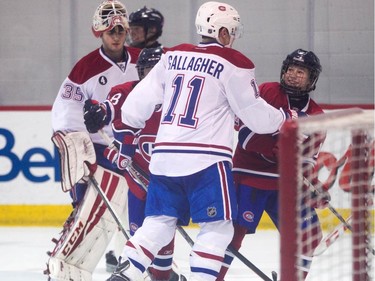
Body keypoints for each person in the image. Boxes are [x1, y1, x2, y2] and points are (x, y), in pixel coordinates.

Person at [105, 2, 300, 281]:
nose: (231, 36)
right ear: (221, 32)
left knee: (158, 223)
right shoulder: (234, 63)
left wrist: (128, 137)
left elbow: (133, 109)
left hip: (164, 159)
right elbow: (255, 118)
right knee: (218, 228)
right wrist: (283, 118)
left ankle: (124, 274)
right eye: (230, 31)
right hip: (207, 161)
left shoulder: (172, 56)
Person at [45, 1, 141, 280]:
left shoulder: (141, 60)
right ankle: (72, 261)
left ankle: (149, 265)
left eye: (121, 29)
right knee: (93, 208)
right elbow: (65, 114)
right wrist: (77, 144)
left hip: (136, 146)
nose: (116, 35)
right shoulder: (85, 68)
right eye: (110, 30)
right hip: (101, 148)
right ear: (99, 32)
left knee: (144, 209)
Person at [216, 49, 330, 280]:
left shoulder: (317, 115)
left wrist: (314, 187)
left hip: (285, 184)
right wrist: (275, 149)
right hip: (250, 175)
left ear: (311, 79)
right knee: (232, 234)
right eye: (290, 69)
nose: (293, 75)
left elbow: (306, 161)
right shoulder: (267, 92)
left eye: (300, 72)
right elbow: (246, 136)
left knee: (309, 235)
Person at [84, 47, 183, 281]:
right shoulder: (126, 93)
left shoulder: (180, 99)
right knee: (139, 241)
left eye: (158, 71)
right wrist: (97, 113)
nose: (153, 77)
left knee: (162, 263)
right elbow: (108, 109)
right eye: (148, 71)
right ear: (139, 72)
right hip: (138, 181)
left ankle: (165, 276)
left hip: (168, 184)